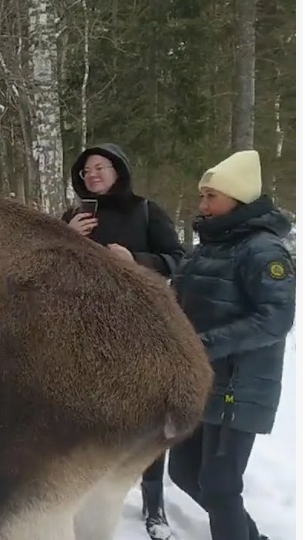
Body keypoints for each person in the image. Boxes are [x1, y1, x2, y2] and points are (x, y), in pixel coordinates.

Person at [60, 143, 185, 540]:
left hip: (137, 329)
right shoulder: (75, 216)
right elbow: (43, 264)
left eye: (100, 167)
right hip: (82, 330)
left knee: (147, 419)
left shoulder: (146, 211)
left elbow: (180, 259)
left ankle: (154, 504)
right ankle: (85, 492)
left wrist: (138, 262)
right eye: (85, 171)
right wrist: (64, 235)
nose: (92, 175)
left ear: (119, 171)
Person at [168, 150, 294, 540]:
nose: (202, 204)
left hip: (240, 385)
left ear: (237, 199)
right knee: (185, 472)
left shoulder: (263, 250)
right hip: (204, 378)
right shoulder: (209, 243)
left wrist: (203, 344)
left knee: (220, 485)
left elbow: (275, 318)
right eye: (202, 196)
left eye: (211, 196)